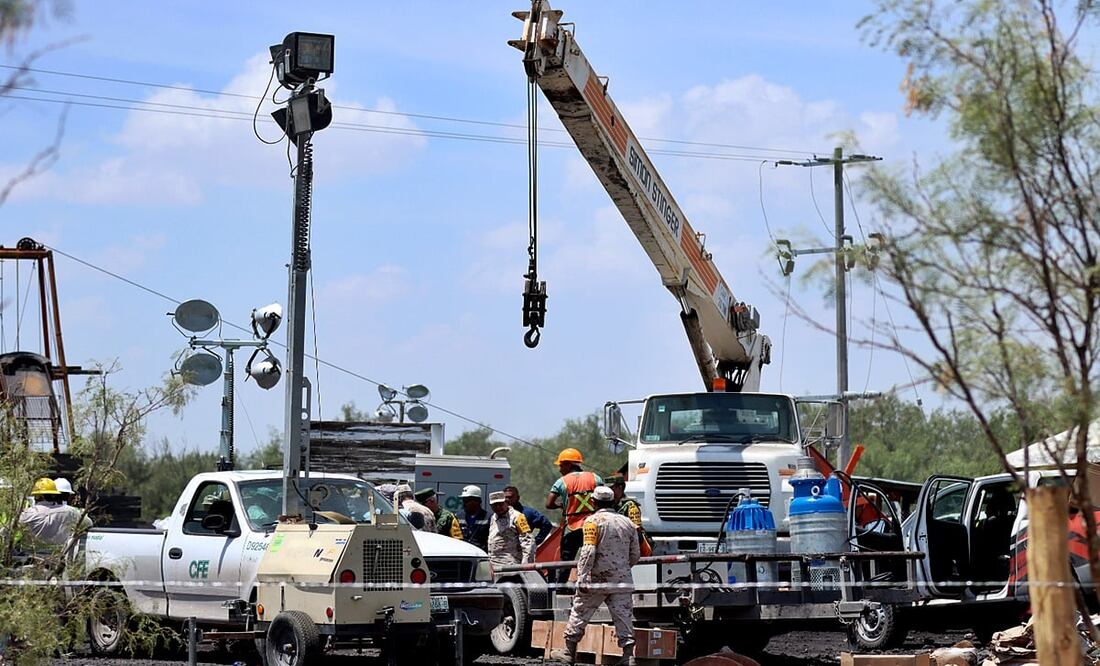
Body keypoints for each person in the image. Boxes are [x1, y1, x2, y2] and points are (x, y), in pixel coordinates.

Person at [550, 485, 639, 666]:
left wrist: (582, 577)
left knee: (580, 612)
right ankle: (628, 656)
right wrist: (621, 568)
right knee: (623, 616)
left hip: (596, 579)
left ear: (593, 502)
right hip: (621, 579)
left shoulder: (591, 522)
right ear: (613, 501)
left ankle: (568, 652)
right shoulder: (628, 523)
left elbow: (588, 551)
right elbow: (636, 554)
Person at [546, 448, 603, 567]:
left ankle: (562, 585)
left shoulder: (561, 482)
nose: (560, 469)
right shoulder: (595, 478)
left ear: (568, 464)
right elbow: (604, 497)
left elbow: (549, 504)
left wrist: (560, 505)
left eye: (561, 466)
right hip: (593, 526)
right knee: (597, 560)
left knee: (565, 564)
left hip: (572, 529)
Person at [19, 478, 91, 551]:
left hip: (30, 557)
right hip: (60, 557)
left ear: (38, 496)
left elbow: (13, 530)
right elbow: (89, 524)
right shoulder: (71, 512)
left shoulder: (27, 513)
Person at [607, 475, 653, 557]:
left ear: (620, 488)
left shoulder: (630, 506)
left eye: (612, 488)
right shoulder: (609, 505)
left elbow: (636, 530)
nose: (609, 491)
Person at [486, 491, 535, 568]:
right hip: (494, 562)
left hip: (511, 563)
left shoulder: (517, 516)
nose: (498, 507)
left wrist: (526, 561)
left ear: (506, 502)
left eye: (500, 504)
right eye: (495, 505)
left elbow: (527, 540)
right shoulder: (493, 517)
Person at [459, 485, 491, 551]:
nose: (464, 504)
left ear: (477, 501)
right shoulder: (459, 516)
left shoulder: (488, 518)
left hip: (481, 555)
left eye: (466, 501)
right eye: (463, 500)